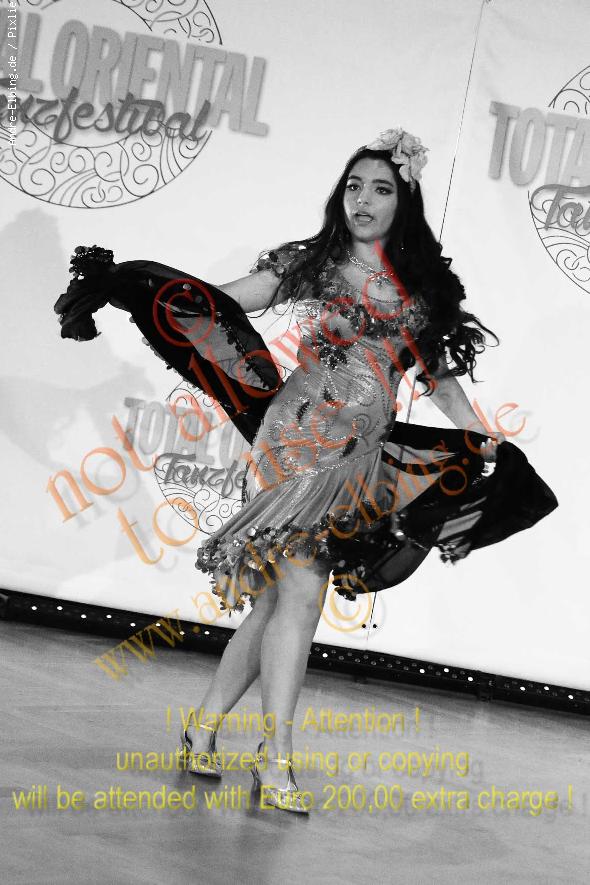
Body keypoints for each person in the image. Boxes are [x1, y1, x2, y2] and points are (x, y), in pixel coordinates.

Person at [54, 128, 558, 815]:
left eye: (380, 188)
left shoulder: (421, 291)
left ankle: (203, 726)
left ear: (403, 200)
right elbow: (223, 301)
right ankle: (277, 757)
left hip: (359, 460)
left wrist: (482, 437)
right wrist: (143, 289)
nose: (362, 200)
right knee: (302, 593)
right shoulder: (315, 262)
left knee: (275, 603)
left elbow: (438, 382)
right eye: (353, 186)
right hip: (292, 444)